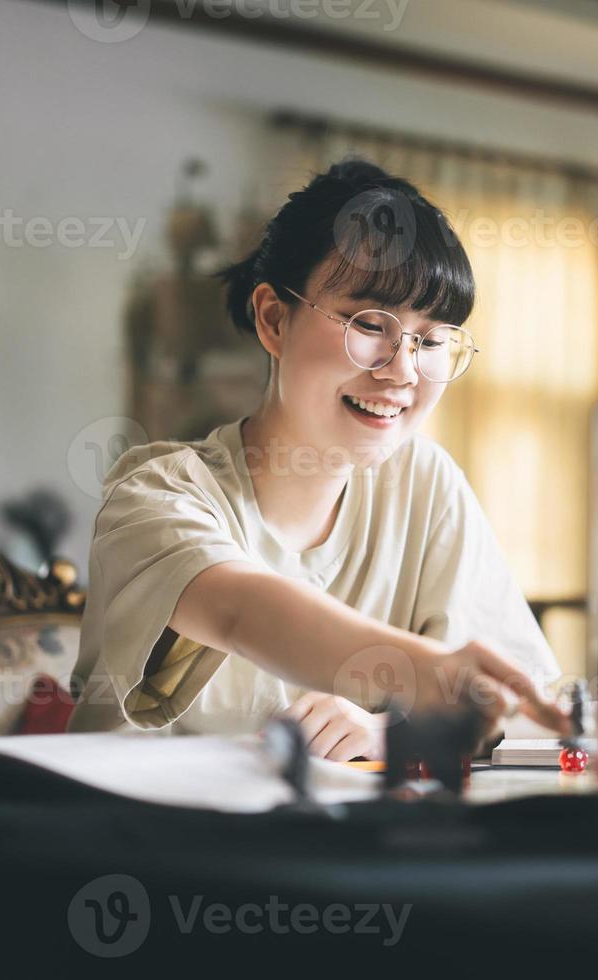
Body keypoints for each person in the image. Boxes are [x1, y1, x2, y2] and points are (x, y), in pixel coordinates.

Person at [68, 159, 568, 760]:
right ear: (274, 319)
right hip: (142, 838)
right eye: (369, 325)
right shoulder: (156, 491)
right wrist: (418, 671)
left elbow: (516, 706)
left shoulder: (425, 485)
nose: (403, 371)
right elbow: (237, 611)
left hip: (338, 844)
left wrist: (391, 734)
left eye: (431, 340)